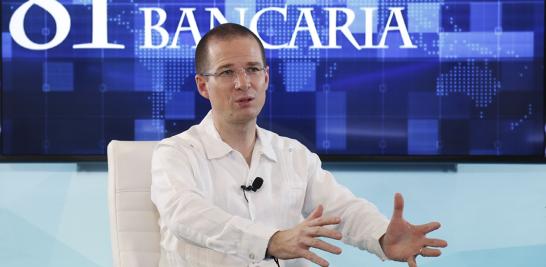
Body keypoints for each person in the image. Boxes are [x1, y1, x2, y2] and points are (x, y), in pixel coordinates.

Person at [151, 23, 447, 267]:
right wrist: (271, 241)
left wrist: (382, 237)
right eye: (227, 72)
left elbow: (342, 209)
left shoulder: (292, 154)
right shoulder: (175, 154)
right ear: (203, 85)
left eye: (253, 69)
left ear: (266, 77)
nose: (243, 83)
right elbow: (185, 215)